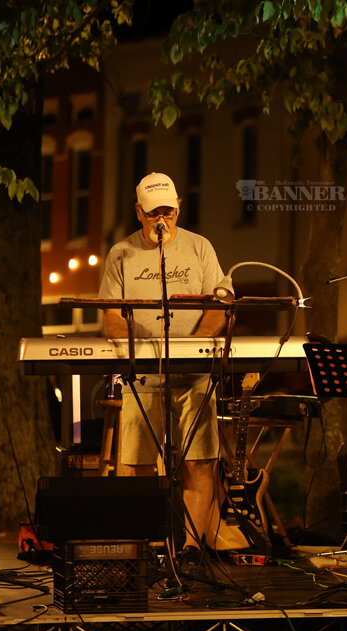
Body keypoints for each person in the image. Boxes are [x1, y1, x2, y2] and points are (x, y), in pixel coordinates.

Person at [98, 172, 228, 561]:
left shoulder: (199, 247)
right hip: (142, 375)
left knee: (198, 461)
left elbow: (219, 303)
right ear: (138, 211)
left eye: (168, 211)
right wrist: (138, 348)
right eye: (154, 212)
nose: (162, 219)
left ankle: (190, 549)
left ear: (178, 208)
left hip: (193, 374)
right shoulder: (121, 253)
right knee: (136, 463)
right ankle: (147, 546)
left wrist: (192, 345)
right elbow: (110, 315)